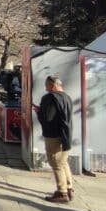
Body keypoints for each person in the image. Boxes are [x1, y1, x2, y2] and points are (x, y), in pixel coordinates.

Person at [33, 75, 74, 203]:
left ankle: (62, 192)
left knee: (56, 163)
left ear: (52, 85)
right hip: (66, 134)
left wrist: (39, 111)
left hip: (53, 135)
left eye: (47, 86)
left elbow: (48, 118)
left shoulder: (50, 98)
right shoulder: (67, 97)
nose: (46, 89)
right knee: (63, 162)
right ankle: (69, 188)